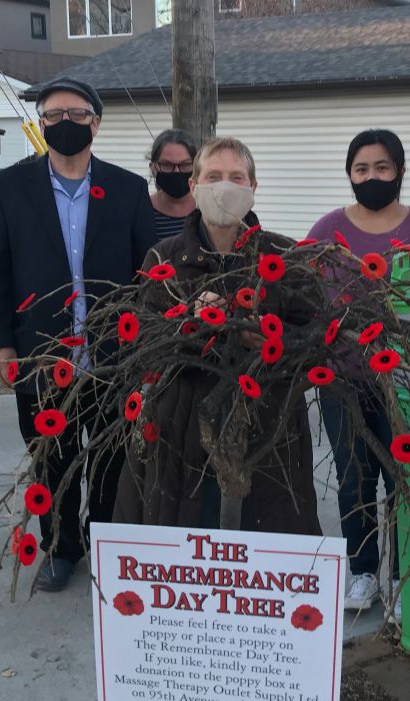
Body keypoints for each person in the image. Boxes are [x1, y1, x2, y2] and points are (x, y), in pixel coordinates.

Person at [0, 77, 157, 591]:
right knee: (50, 461)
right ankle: (59, 547)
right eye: (53, 115)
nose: (65, 123)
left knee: (108, 457)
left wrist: (147, 343)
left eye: (77, 114)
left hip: (112, 356)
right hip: (39, 354)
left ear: (96, 123)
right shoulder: (7, 189)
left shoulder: (126, 189)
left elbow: (149, 273)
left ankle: (104, 542)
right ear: (40, 124)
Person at [112, 137, 321, 535]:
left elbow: (315, 341)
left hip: (267, 424)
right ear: (194, 186)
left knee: (263, 540)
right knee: (191, 536)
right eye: (213, 176)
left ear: (253, 187)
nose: (225, 186)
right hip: (181, 423)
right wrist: (192, 324)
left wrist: (268, 342)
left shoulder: (285, 258)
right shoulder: (164, 258)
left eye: (236, 177)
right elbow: (142, 344)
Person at [306, 129, 410, 617]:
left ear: (400, 172)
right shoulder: (327, 230)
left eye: (382, 168)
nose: (372, 177)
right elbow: (301, 293)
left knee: (403, 480)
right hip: (342, 380)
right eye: (361, 169)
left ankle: (403, 578)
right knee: (353, 479)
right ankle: (364, 571)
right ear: (349, 175)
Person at [148, 128, 198, 239]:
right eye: (167, 165)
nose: (176, 171)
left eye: (185, 164)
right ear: (153, 168)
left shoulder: (208, 209)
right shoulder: (142, 210)